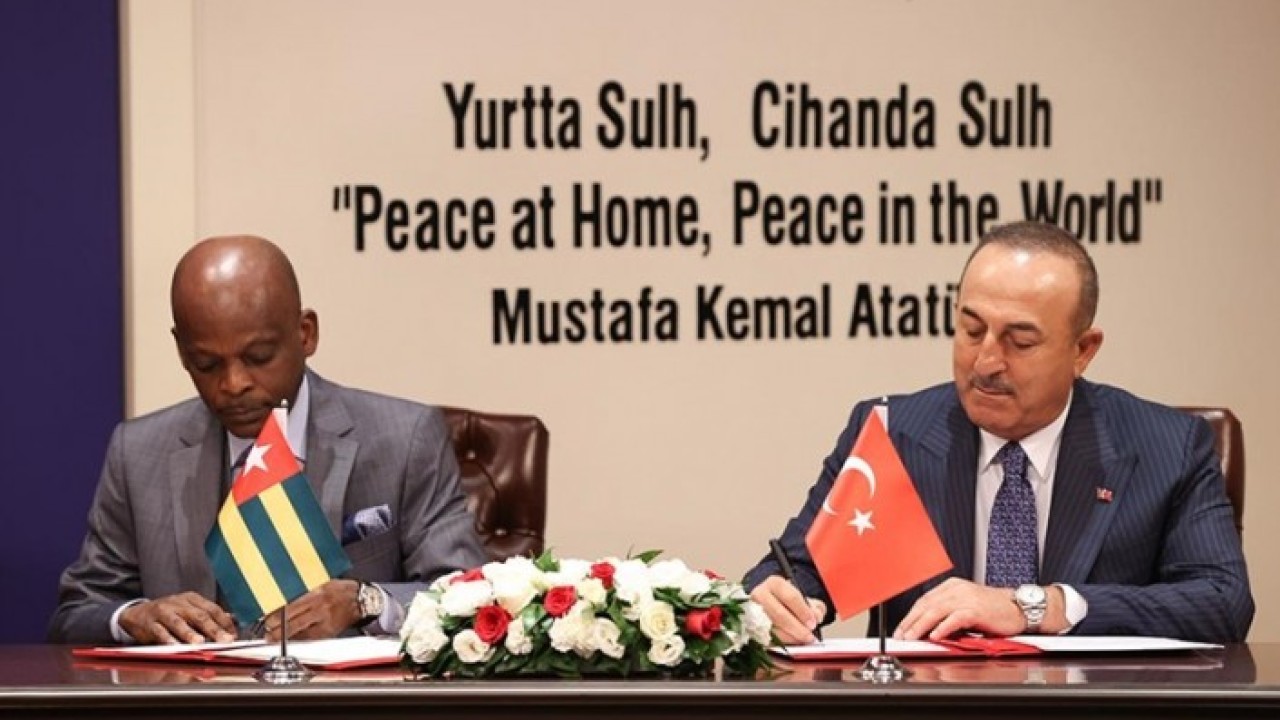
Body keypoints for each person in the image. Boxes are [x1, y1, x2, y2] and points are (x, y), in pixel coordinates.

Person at [745, 221, 1253, 645]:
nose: (985, 362)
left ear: (1083, 351)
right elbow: (796, 571)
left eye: (1020, 341)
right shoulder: (893, 435)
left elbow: (1222, 602)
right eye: (971, 330)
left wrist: (1038, 607)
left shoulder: (1168, 447)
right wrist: (776, 600)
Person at [49, 235, 488, 645]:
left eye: (258, 357)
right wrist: (134, 616)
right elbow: (76, 613)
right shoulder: (139, 452)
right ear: (181, 350)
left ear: (306, 334)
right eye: (206, 364)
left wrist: (366, 601)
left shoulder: (405, 439)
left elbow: (467, 598)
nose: (233, 384)